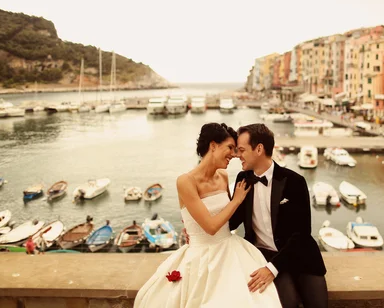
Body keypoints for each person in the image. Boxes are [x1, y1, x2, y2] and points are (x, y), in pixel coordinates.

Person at [133, 123, 281, 307]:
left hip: (230, 249)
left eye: (236, 150)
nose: (234, 155)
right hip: (201, 256)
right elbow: (210, 227)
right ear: (213, 146)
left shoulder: (224, 176)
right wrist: (236, 200)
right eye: (230, 148)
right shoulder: (185, 181)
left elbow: (229, 219)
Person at [230, 123, 328, 308]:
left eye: (241, 149)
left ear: (259, 149)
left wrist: (271, 269)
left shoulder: (295, 182)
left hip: (298, 253)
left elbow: (302, 234)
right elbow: (232, 221)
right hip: (263, 255)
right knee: (287, 303)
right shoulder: (242, 180)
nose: (237, 155)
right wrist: (200, 228)